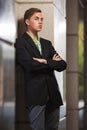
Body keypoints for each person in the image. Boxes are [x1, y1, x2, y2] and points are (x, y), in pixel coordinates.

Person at [15, 8, 67, 130]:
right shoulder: (21, 43)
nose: (40, 22)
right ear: (27, 21)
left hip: (53, 95)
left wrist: (44, 61)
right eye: (36, 19)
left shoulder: (46, 44)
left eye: (42, 19)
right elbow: (29, 65)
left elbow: (62, 65)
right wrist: (51, 63)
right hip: (36, 96)